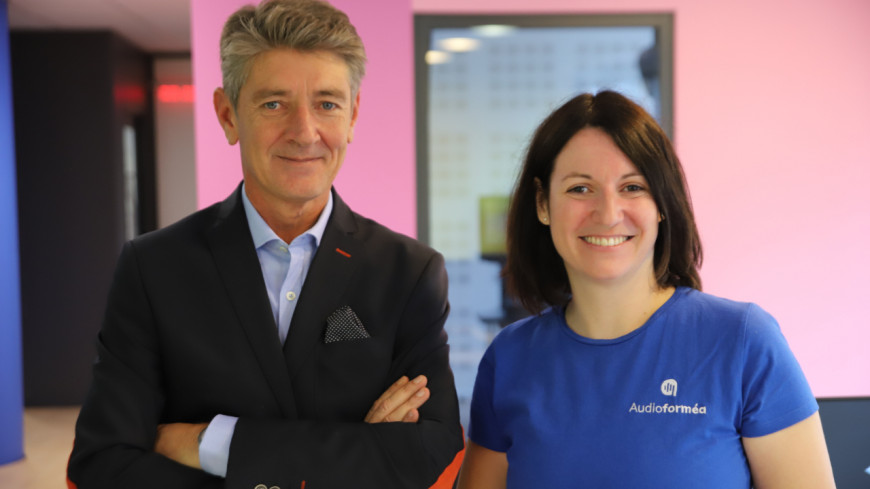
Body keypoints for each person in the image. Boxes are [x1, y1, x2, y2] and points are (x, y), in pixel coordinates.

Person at [67, 1, 463, 487]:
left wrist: (212, 443)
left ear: (353, 115)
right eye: (274, 104)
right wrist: (358, 448)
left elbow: (430, 446)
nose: (304, 132)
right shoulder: (153, 268)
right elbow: (102, 463)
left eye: (327, 104)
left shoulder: (409, 272)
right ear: (228, 115)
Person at [457, 91, 836, 489]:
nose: (608, 214)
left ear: (662, 204)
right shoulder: (510, 358)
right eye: (580, 189)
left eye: (633, 187)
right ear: (542, 204)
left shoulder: (743, 342)